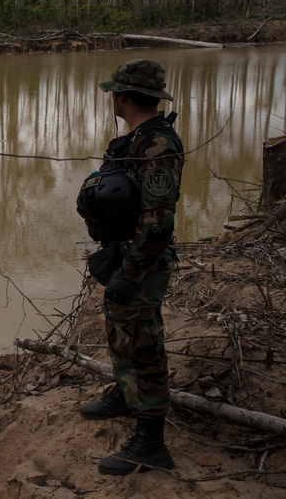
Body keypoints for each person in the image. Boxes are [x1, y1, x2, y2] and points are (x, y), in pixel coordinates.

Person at [76, 59, 184, 476]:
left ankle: (151, 442)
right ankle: (126, 392)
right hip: (126, 254)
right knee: (122, 331)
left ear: (122, 97)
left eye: (113, 93)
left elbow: (159, 219)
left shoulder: (157, 144)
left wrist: (132, 271)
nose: (112, 99)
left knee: (145, 343)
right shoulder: (137, 138)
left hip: (143, 262)